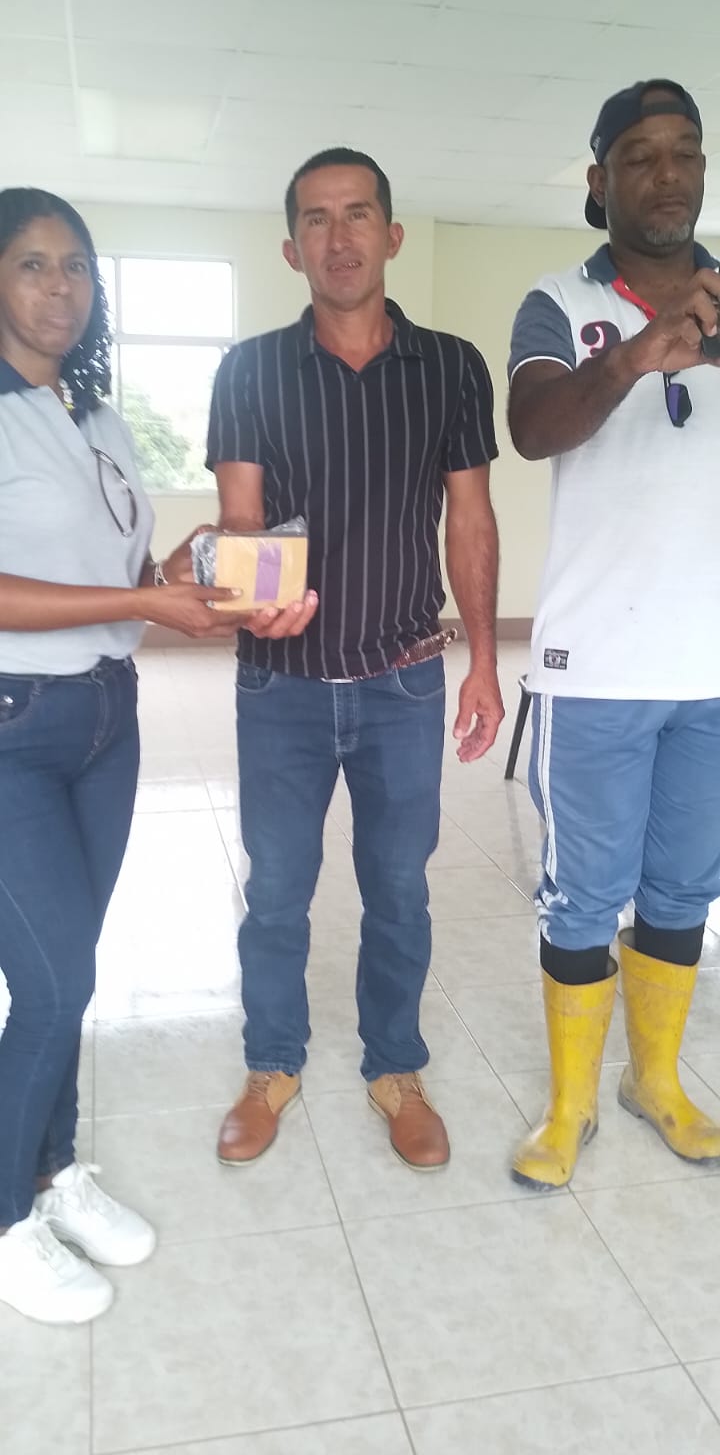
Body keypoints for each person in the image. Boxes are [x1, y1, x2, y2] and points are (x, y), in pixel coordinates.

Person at [207, 146, 502, 1170]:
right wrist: (247, 589)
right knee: (276, 891)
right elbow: (242, 517)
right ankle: (271, 1064)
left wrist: (483, 662)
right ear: (292, 248)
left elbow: (471, 520)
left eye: (358, 214)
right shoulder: (248, 370)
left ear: (392, 234)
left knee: (400, 890)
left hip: (403, 682)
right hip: (280, 687)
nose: (339, 237)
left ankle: (395, 1067)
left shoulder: (453, 366)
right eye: (317, 219)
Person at [0, 187, 247, 1324]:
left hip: (106, 719)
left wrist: (170, 570)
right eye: (32, 264)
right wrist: (141, 599)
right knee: (55, 982)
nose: (60, 287)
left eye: (77, 267)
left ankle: (53, 1170)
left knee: (71, 972)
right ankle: (8, 1219)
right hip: (14, 726)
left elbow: (114, 566)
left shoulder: (94, 414)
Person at [507, 79, 720, 1190]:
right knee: (583, 897)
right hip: (593, 666)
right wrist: (638, 355)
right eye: (640, 156)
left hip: (711, 671)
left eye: (685, 151)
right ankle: (570, 1106)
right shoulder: (558, 301)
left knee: (684, 891)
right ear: (600, 181)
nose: (668, 173)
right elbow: (534, 427)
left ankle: (658, 1083)